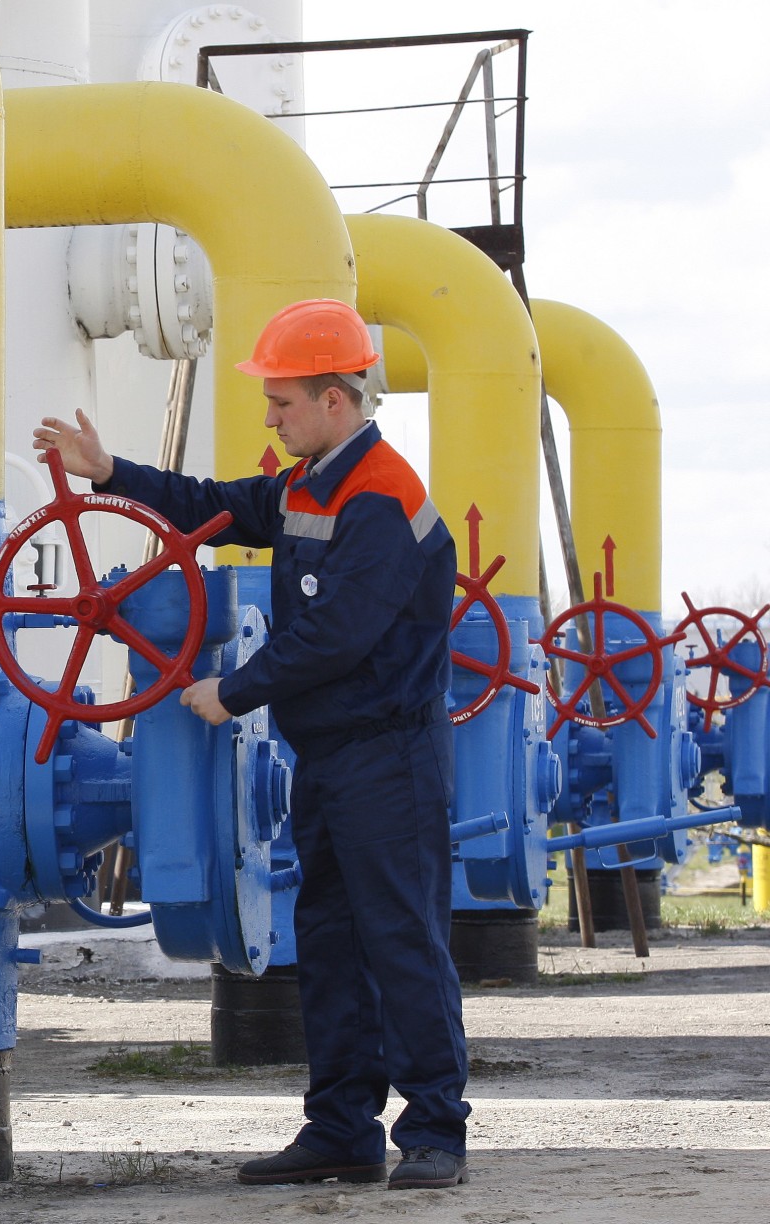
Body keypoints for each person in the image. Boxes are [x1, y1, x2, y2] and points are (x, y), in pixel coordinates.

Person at [33, 298, 470, 1191]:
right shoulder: (310, 483)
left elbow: (339, 634)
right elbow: (216, 508)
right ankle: (342, 1129)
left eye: (283, 401)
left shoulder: (382, 498)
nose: (270, 417)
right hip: (336, 757)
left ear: (337, 400)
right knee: (332, 940)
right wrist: (111, 472)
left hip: (390, 758)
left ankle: (435, 1132)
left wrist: (230, 691)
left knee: (402, 939)